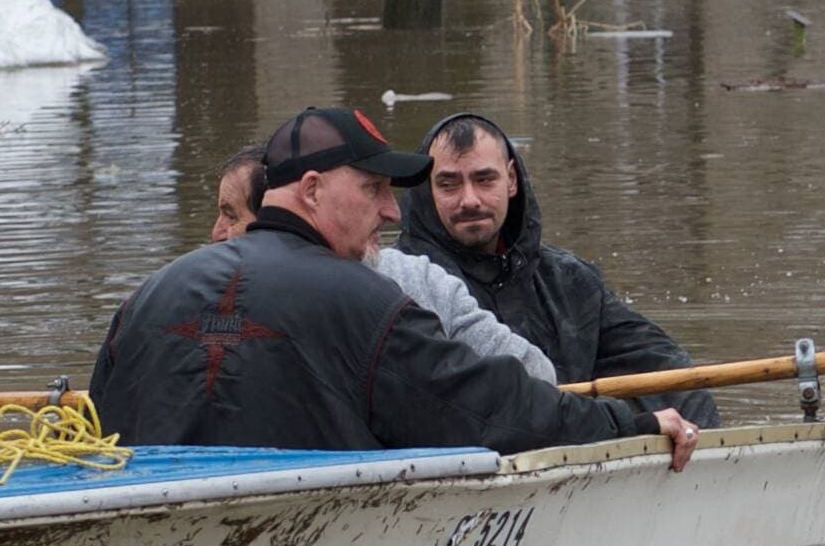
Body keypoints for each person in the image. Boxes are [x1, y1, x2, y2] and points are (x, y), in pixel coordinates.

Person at [91, 107, 696, 464]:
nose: (391, 213)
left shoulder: (149, 294)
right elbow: (494, 411)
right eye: (374, 190)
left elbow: (97, 440)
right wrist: (632, 429)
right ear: (310, 191)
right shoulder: (367, 300)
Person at [395, 112, 719, 424]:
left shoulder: (570, 279)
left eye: (484, 179)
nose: (469, 199)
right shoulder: (398, 287)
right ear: (427, 190)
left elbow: (663, 367)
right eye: (449, 184)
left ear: (510, 180)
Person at [210, 143, 559, 384]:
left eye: (230, 215)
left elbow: (535, 373)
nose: (217, 233)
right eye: (372, 190)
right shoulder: (204, 304)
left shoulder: (419, 280)